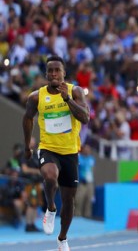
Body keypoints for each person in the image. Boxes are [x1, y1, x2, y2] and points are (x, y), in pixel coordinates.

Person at [22, 55, 90, 251]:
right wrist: (27, 146)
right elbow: (27, 119)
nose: (53, 74)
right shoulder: (36, 97)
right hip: (48, 148)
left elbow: (85, 118)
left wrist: (67, 99)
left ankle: (62, 238)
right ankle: (51, 207)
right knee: (50, 177)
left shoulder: (74, 91)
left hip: (70, 152)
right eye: (50, 70)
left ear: (63, 73)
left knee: (69, 201)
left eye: (57, 70)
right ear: (46, 73)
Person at [75, 144, 95, 218]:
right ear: (82, 150)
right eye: (85, 149)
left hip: (90, 182)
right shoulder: (79, 158)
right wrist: (79, 179)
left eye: (88, 149)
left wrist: (92, 181)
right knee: (79, 200)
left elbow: (92, 170)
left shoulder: (92, 159)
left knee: (89, 200)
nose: (87, 150)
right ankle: (77, 216)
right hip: (81, 183)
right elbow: (77, 170)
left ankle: (88, 216)